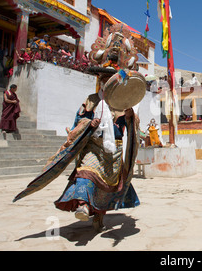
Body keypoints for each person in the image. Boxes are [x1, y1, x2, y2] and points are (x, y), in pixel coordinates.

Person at [13, 24, 144, 233]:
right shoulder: (92, 100)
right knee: (85, 172)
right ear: (100, 81)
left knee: (106, 186)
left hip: (114, 151)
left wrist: (129, 118)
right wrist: (88, 125)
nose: (105, 82)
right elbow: (79, 120)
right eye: (103, 79)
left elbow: (131, 129)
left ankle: (98, 216)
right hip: (93, 145)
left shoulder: (122, 103)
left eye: (109, 78)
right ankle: (83, 205)